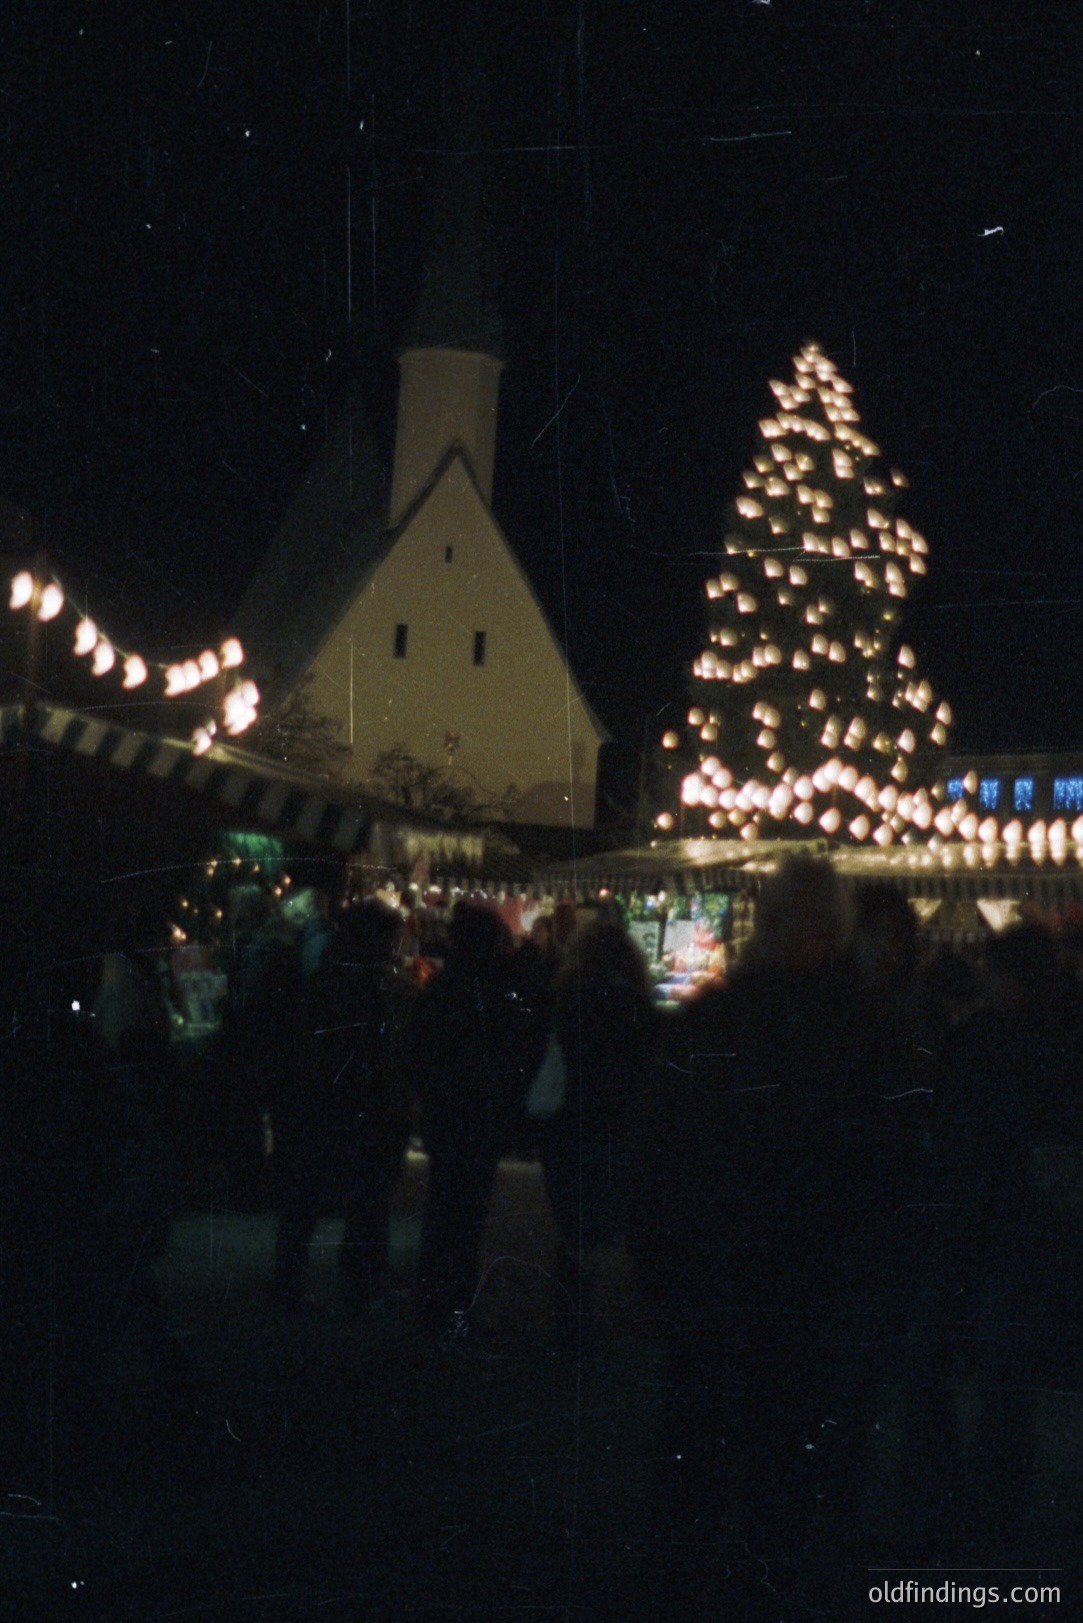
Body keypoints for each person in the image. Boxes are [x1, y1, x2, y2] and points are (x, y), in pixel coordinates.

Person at [271, 898, 411, 1316]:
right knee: (364, 1200)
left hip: (320, 1102)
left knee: (307, 1200)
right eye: (389, 937)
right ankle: (359, 1285)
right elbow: (368, 1048)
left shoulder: (326, 975)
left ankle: (291, 1283)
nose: (393, 946)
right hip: (352, 1104)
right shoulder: (363, 982)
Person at [404, 904, 524, 1340]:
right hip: (479, 1115)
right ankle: (455, 1305)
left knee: (443, 1210)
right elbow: (509, 1052)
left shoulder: (442, 987)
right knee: (468, 1215)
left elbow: (417, 1051)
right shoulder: (491, 989)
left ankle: (435, 1302)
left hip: (447, 1115)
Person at [539, 919, 657, 1341]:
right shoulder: (639, 1007)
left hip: (570, 1124)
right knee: (616, 1216)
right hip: (618, 1124)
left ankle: (571, 1320)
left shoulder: (567, 1001)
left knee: (575, 1226)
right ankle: (621, 1314)